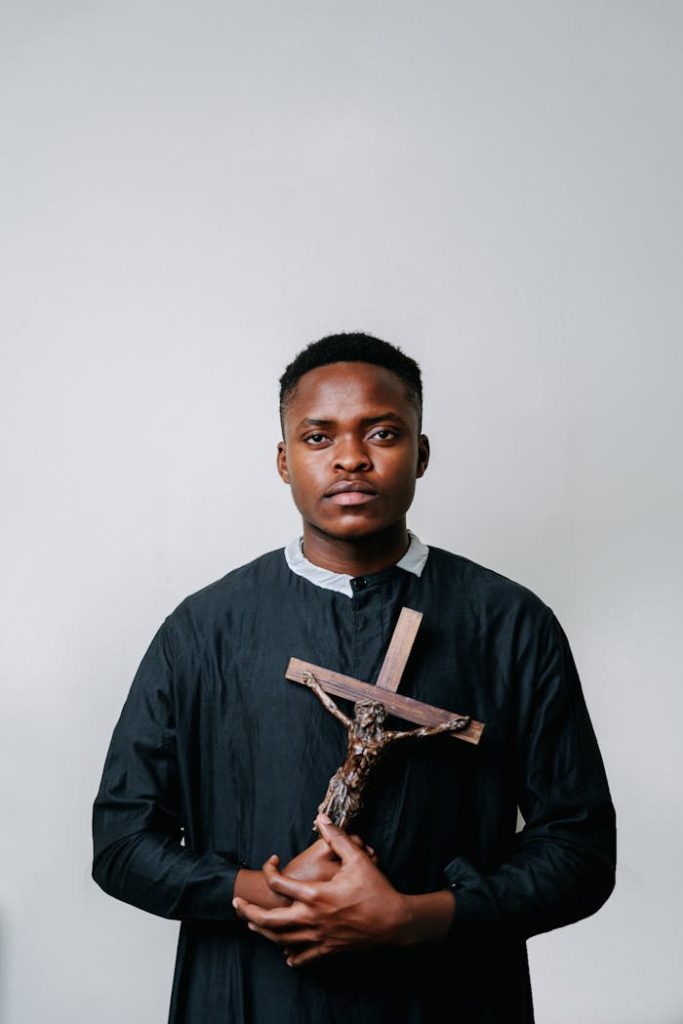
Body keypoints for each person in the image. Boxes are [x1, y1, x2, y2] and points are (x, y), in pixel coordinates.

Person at [92, 332, 616, 1023]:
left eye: (382, 432)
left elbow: (578, 849)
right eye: (317, 437)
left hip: (448, 997)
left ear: (420, 454)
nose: (349, 458)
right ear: (283, 461)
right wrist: (263, 889)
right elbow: (123, 843)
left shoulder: (509, 623)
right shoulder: (205, 629)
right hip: (251, 996)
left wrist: (419, 917)